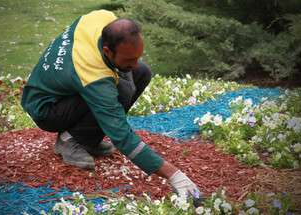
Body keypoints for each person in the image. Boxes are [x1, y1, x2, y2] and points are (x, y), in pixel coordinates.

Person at [21, 10, 202, 202]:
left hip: (69, 85)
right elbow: (121, 136)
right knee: (121, 91)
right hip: (47, 109)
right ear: (107, 51)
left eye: (137, 56)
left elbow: (129, 68)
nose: (134, 63)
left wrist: (127, 64)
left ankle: (86, 135)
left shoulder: (103, 17)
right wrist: (175, 175)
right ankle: (70, 139)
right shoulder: (93, 76)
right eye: (128, 59)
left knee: (141, 72)